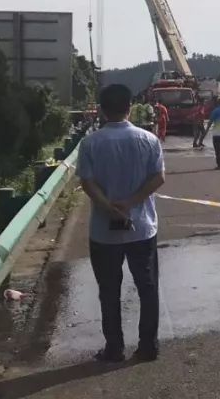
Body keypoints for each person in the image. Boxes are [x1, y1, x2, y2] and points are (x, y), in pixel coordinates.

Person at [77, 84, 164, 363]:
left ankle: (114, 348)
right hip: (142, 227)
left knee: (109, 291)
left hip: (104, 232)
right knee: (147, 287)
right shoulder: (149, 139)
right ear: (129, 107)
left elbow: (87, 182)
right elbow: (158, 177)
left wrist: (109, 207)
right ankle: (148, 346)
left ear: (102, 109)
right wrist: (131, 203)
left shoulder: (91, 143)